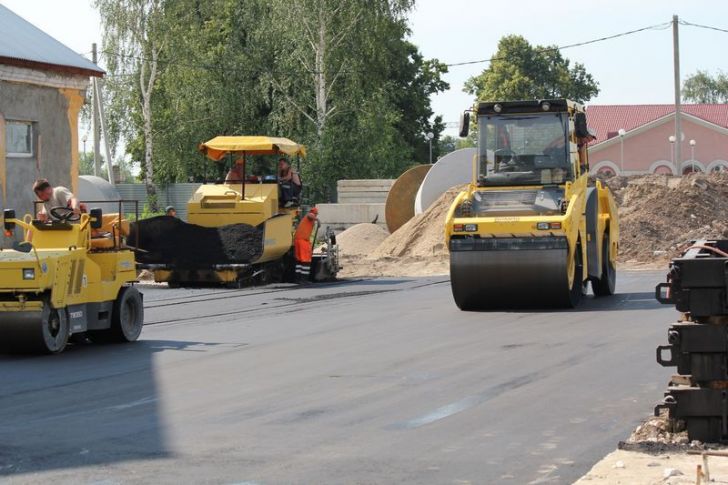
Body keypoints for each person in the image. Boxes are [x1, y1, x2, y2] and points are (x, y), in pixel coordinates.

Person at [293, 207, 318, 283]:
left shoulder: (306, 219)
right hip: (303, 241)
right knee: (306, 260)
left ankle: (297, 279)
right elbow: (310, 215)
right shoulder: (310, 216)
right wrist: (317, 220)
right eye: (316, 214)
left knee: (299, 261)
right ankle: (304, 279)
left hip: (297, 240)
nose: (316, 216)